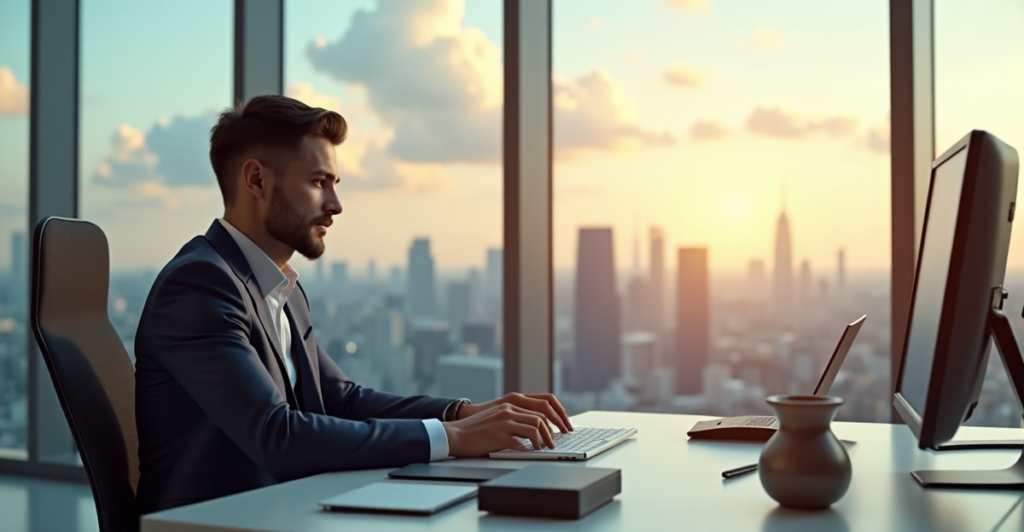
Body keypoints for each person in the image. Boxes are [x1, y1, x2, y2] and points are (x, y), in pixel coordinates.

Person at [134, 95, 573, 514]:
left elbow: (339, 400)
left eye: (335, 185)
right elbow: (276, 435)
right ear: (257, 180)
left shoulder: (277, 286)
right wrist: (451, 437)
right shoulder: (200, 284)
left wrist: (462, 413)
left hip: (285, 510)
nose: (336, 206)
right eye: (318, 182)